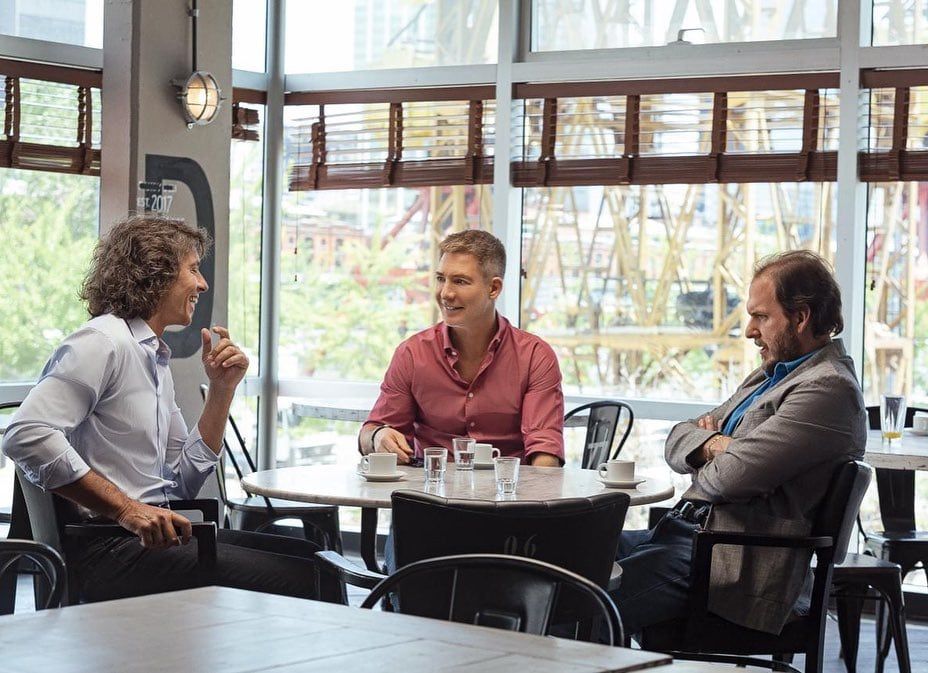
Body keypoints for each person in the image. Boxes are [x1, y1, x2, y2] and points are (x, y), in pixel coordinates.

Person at [3, 215, 320, 603]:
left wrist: (221, 391)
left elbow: (181, 483)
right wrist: (126, 510)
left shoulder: (152, 357)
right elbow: (25, 434)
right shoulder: (102, 342)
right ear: (156, 273)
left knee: (314, 558)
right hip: (109, 550)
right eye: (193, 269)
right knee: (309, 577)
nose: (202, 284)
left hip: (149, 538)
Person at [613, 250, 867, 637]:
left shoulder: (826, 389)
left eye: (761, 317)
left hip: (729, 562)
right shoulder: (768, 375)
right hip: (687, 535)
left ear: (801, 318)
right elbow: (677, 437)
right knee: (570, 557)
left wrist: (711, 445)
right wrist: (718, 444)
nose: (749, 330)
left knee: (580, 600)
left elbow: (725, 480)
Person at [359, 229, 565, 467]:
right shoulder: (412, 354)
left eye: (460, 281)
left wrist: (531, 500)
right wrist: (378, 436)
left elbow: (545, 451)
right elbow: (370, 432)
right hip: (429, 498)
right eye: (440, 279)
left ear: (494, 288)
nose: (445, 293)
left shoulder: (535, 357)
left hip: (507, 498)